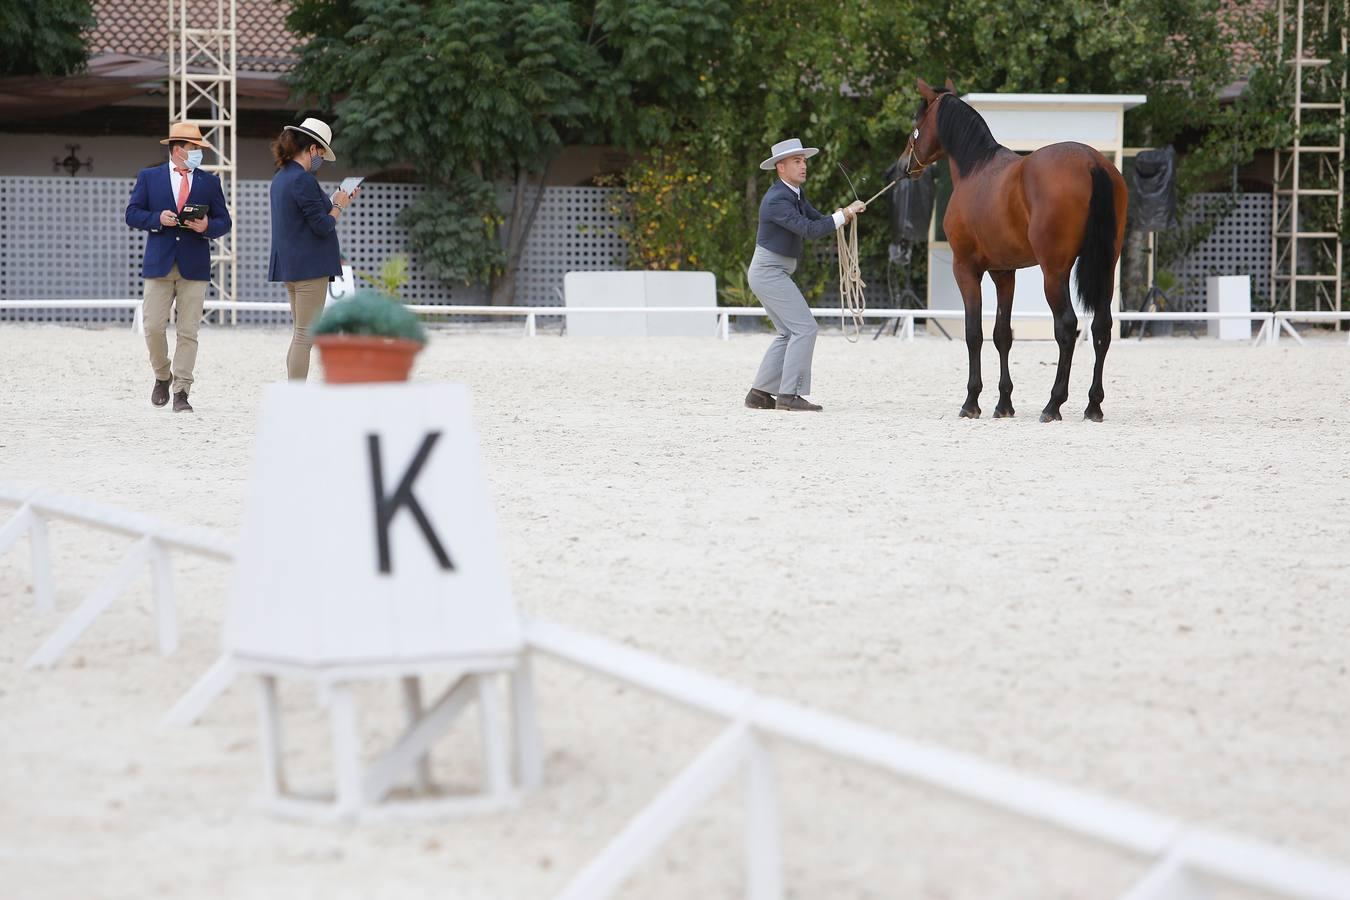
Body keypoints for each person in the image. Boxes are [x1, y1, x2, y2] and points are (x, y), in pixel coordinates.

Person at [744, 138, 865, 412]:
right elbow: (809, 230)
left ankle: (759, 393)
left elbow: (818, 219)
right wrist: (844, 214)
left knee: (788, 332)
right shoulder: (777, 200)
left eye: (804, 161)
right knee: (805, 328)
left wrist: (843, 215)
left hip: (772, 271)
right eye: (797, 161)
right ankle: (789, 395)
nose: (803, 166)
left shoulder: (794, 195)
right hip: (769, 272)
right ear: (781, 168)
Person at [124, 122, 232, 413]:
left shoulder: (210, 183)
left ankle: (182, 390)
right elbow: (132, 214)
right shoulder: (150, 177)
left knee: (188, 332)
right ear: (178, 149)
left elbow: (225, 221)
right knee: (153, 327)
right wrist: (158, 218)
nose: (198, 153)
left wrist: (208, 225)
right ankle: (162, 374)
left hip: (194, 264)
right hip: (159, 262)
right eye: (195, 148)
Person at [267, 117, 357, 380]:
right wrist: (339, 206)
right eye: (320, 152)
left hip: (291, 264)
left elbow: (306, 214)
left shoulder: (282, 178)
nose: (320, 159)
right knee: (305, 336)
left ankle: (293, 393)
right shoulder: (304, 180)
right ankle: (296, 398)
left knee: (299, 334)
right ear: (313, 148)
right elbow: (322, 224)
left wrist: (337, 200)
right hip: (310, 266)